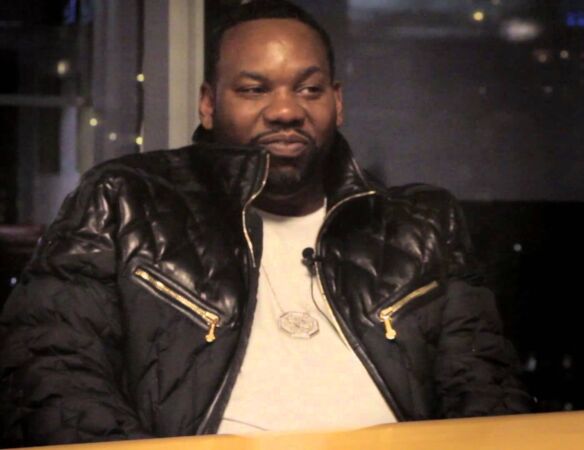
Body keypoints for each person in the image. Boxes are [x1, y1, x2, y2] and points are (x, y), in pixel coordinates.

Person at [0, 0, 532, 446]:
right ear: (208, 104)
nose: (285, 111)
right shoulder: (125, 200)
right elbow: (49, 372)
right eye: (254, 89)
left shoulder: (422, 225)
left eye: (309, 89)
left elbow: (486, 392)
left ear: (337, 102)